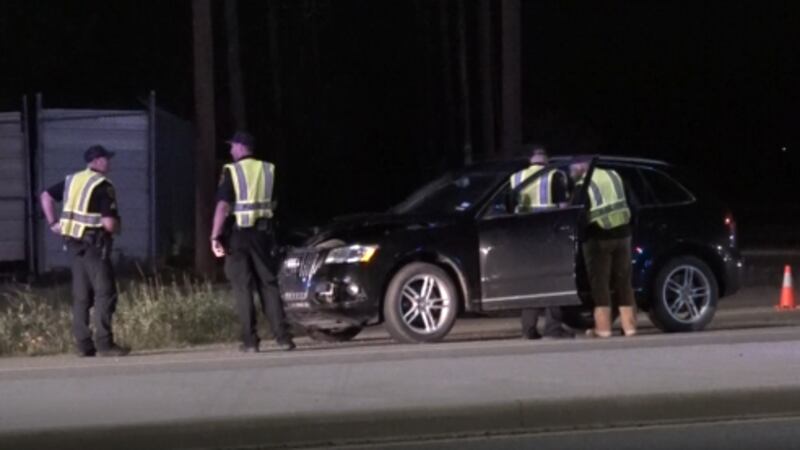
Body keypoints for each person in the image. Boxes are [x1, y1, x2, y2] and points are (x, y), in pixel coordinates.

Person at [40, 145, 129, 357]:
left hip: (73, 244)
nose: (109, 162)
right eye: (107, 158)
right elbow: (108, 224)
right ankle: (105, 344)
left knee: (81, 295)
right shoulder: (103, 185)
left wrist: (53, 222)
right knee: (105, 293)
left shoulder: (73, 180)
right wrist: (118, 228)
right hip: (94, 246)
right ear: (97, 161)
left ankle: (83, 344)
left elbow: (45, 196)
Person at [210, 131, 295, 352]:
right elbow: (277, 203)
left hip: (238, 236)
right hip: (263, 235)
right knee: (269, 284)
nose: (230, 150)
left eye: (232, 146)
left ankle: (250, 341)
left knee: (242, 287)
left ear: (240, 147)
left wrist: (215, 235)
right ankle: (283, 337)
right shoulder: (269, 170)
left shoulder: (232, 171)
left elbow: (223, 206)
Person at [510, 146, 575, 340]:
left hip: (525, 237)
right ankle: (553, 329)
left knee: (531, 283)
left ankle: (528, 329)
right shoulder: (554, 176)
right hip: (549, 235)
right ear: (546, 158)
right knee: (552, 282)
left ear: (530, 159)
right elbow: (563, 209)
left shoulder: (516, 177)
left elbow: (510, 207)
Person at [570, 158, 637, 337]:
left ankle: (603, 328)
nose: (572, 170)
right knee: (624, 283)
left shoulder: (583, 185)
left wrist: (580, 236)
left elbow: (578, 216)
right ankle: (629, 328)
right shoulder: (614, 176)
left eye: (573, 166)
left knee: (600, 285)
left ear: (582, 165)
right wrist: (629, 228)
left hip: (597, 238)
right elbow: (633, 205)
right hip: (623, 235)